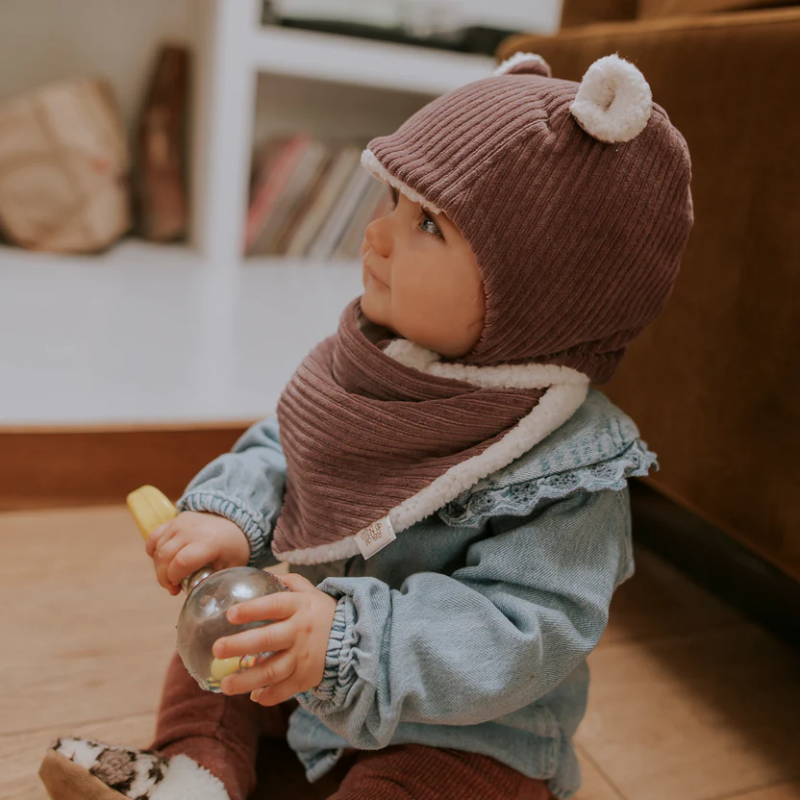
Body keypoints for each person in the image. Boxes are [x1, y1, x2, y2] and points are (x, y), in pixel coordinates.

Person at [39, 51, 693, 800]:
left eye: (427, 225)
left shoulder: (570, 469)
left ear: (538, 292)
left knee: (429, 784)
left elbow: (524, 632)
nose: (376, 235)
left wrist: (347, 639)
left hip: (462, 735)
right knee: (220, 639)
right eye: (391, 202)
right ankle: (194, 773)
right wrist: (231, 517)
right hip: (311, 681)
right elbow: (289, 446)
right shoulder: (375, 362)